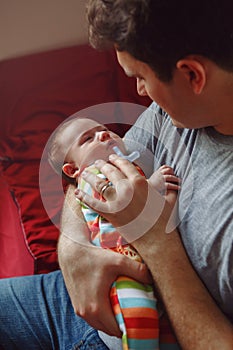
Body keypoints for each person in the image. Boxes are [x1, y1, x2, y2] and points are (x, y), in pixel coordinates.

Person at [0, 1, 233, 349]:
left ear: (192, 75)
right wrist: (75, 253)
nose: (140, 92)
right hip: (65, 298)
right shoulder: (180, 111)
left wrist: (155, 239)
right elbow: (89, 175)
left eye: (140, 77)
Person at [48, 116, 180, 350]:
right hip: (121, 264)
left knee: (167, 332)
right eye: (88, 139)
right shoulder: (92, 176)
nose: (104, 135)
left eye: (105, 129)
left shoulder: (122, 167)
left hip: (148, 265)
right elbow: (123, 198)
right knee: (138, 319)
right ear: (74, 169)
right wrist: (154, 184)